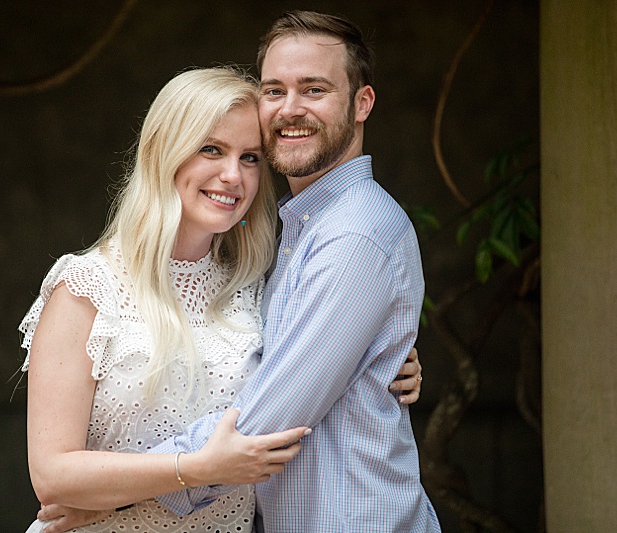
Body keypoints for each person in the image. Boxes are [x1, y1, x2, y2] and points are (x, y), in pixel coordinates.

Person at [43, 9, 439, 533]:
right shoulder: (271, 257)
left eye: (314, 89)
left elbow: (270, 413)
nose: (290, 109)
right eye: (274, 90)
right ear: (165, 154)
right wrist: (379, 360)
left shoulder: (351, 235)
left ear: (362, 102)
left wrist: (114, 498)